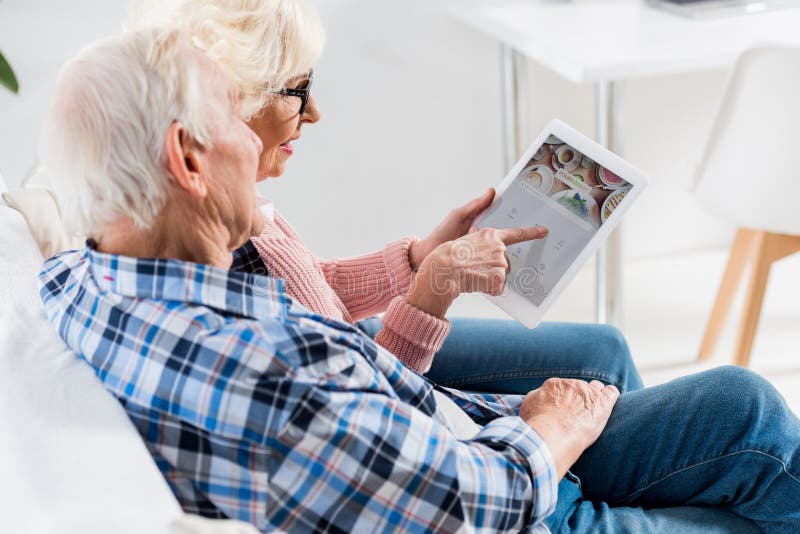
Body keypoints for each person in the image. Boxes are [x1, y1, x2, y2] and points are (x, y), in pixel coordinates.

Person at [39, 28, 800, 533]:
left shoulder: (81, 273)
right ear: (190, 159)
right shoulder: (274, 371)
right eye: (236, 119)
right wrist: (551, 430)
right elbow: (473, 504)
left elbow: (325, 323)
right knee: (751, 428)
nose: (264, 133)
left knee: (733, 406)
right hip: (510, 492)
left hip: (461, 432)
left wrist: (415, 268)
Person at [126, 0, 644, 398]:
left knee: (607, 349)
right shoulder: (217, 243)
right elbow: (367, 406)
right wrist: (432, 293)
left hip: (364, 349)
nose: (315, 114)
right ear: (231, 101)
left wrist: (418, 259)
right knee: (619, 377)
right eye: (297, 91)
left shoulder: (229, 206)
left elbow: (312, 291)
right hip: (383, 376)